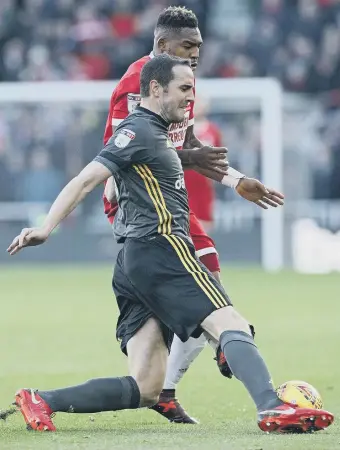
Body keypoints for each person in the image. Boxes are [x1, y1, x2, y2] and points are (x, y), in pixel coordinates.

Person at [8, 55, 333, 434]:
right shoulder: (139, 131)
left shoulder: (155, 133)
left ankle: (42, 399)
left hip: (134, 259)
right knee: (230, 321)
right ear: (156, 89)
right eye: (183, 89)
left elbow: (118, 178)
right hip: (163, 248)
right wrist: (47, 226)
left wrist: (234, 179)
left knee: (146, 387)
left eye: (192, 90)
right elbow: (86, 178)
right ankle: (270, 407)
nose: (190, 97)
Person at [102, 5, 285, 424]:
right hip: (138, 202)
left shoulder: (183, 79)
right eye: (189, 45)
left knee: (211, 284)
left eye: (199, 45)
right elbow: (129, 152)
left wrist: (237, 180)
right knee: (209, 294)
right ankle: (194, 365)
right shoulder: (137, 81)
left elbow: (190, 143)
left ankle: (169, 386)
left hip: (170, 199)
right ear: (163, 45)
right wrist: (194, 156)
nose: (198, 52)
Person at [184, 97, 222, 233]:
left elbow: (219, 156)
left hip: (204, 183)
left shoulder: (213, 130)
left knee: (204, 224)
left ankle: (202, 251)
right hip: (185, 181)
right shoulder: (182, 127)